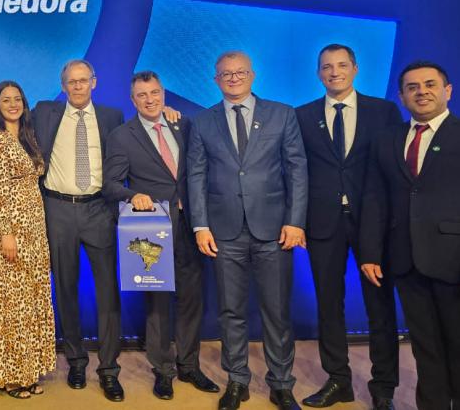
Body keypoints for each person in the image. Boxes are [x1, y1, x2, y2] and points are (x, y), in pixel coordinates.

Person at [187, 51, 308, 410]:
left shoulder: (282, 114)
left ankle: (282, 383)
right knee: (231, 311)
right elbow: (195, 175)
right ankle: (237, 381)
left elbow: (297, 170)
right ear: (216, 79)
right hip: (223, 232)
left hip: (274, 230)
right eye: (226, 73)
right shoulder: (203, 121)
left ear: (253, 75)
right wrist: (200, 224)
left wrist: (295, 220)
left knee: (277, 311)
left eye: (240, 72)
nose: (233, 78)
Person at [295, 45, 402, 409]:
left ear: (355, 69)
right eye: (326, 66)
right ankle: (338, 380)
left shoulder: (384, 111)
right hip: (323, 224)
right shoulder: (303, 115)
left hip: (374, 222)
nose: (334, 72)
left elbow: (394, 169)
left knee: (380, 305)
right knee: (329, 304)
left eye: (342, 65)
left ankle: (383, 385)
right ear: (318, 73)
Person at [103, 71, 219, 401]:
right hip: (154, 231)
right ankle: (163, 371)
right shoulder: (123, 136)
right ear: (132, 99)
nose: (150, 99)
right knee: (158, 304)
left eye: (155, 93)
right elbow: (110, 185)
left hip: (192, 226)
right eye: (142, 95)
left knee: (192, 299)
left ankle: (189, 365)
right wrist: (133, 195)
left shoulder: (185, 125)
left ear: (163, 93)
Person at [360, 60, 460, 410]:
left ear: (447, 91)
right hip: (405, 259)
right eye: (413, 87)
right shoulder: (387, 140)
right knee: (425, 346)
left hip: (453, 259)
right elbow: (374, 198)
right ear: (402, 97)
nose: (422, 92)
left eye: (430, 84)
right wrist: (370, 253)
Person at [32, 59, 125, 402]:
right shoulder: (44, 112)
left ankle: (109, 369)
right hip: (57, 208)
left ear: (94, 83)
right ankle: (75, 360)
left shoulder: (114, 117)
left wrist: (171, 116)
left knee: (107, 291)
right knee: (66, 288)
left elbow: (133, 142)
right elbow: (4, 118)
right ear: (63, 85)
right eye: (71, 82)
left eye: (83, 81)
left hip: (99, 209)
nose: (77, 87)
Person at [0, 80, 56, 399]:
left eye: (18, 98)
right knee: (10, 304)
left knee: (30, 301)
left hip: (35, 230)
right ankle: (9, 375)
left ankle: (28, 370)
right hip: (6, 231)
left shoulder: (28, 136)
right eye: (6, 99)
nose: (12, 104)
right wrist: (6, 232)